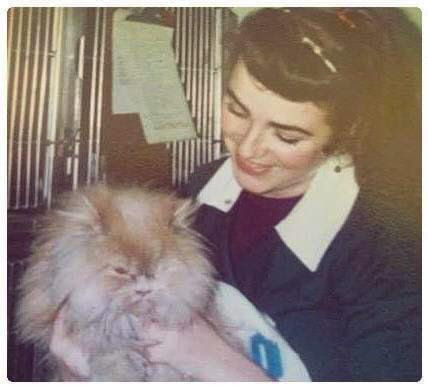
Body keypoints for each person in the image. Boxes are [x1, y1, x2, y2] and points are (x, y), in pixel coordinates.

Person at [50, 7, 421, 381]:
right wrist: (75, 367)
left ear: (346, 133)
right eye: (237, 110)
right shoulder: (200, 189)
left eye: (287, 136)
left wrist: (211, 358)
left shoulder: (387, 248)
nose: (248, 148)